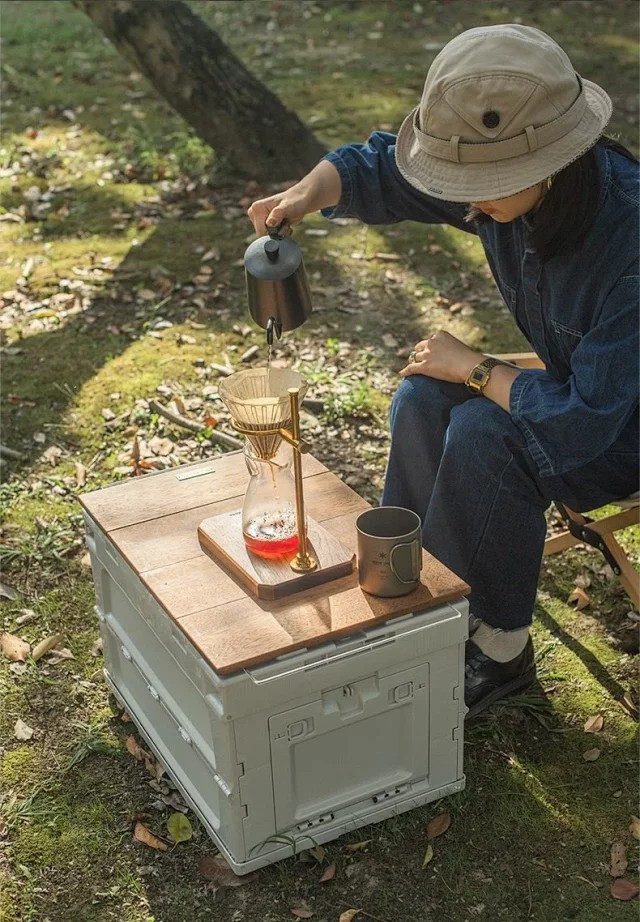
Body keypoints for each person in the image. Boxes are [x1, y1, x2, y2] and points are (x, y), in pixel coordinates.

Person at [248, 24, 639, 717]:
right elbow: (378, 170)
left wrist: (479, 367)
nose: (467, 203)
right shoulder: (508, 179)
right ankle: (414, 596)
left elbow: (585, 422)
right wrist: (304, 195)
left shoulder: (629, 241)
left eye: (482, 189)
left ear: (547, 165)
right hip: (579, 393)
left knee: (489, 438)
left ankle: (498, 650)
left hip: (620, 425)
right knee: (425, 397)